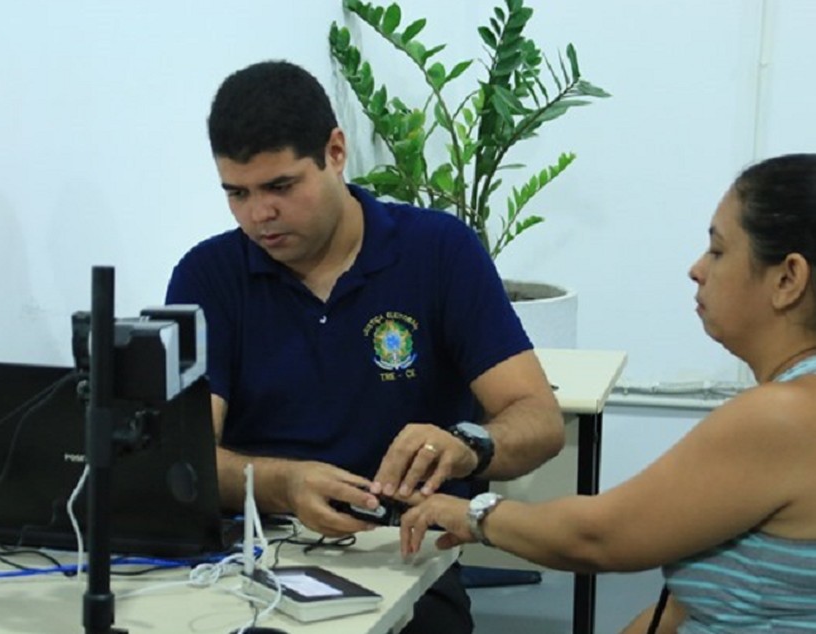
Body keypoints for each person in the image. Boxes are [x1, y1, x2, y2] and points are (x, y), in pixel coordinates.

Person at [400, 153, 816, 632]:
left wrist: (473, 514)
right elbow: (683, 606)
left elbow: (599, 536)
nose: (697, 269)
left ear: (788, 279)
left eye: (718, 250)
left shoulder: (790, 417)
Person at [165, 60, 565, 634]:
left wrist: (467, 445)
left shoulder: (438, 252)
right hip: (251, 564)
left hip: (405, 558)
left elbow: (539, 419)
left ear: (334, 152)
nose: (259, 215)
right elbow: (185, 460)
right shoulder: (210, 276)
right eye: (237, 194)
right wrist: (286, 484)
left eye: (280, 187)